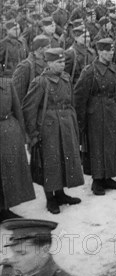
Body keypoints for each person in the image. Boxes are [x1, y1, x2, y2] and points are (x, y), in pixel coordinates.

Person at [22, 48, 84, 214]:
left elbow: (71, 101)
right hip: (48, 129)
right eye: (58, 62)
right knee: (50, 163)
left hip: (65, 125)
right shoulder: (40, 82)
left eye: (63, 62)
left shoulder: (66, 78)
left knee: (65, 158)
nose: (62, 65)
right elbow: (29, 109)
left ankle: (61, 193)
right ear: (48, 63)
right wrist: (33, 134)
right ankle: (50, 198)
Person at [74, 38, 116, 196]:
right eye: (106, 51)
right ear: (99, 52)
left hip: (112, 110)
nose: (110, 53)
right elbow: (79, 97)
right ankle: (97, 180)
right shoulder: (89, 71)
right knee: (98, 146)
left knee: (111, 144)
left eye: (112, 50)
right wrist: (81, 121)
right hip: (96, 113)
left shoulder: (115, 68)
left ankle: (108, 176)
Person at [0, 218, 93, 276]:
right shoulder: (9, 272)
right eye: (14, 253)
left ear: (45, 250)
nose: (14, 260)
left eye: (22, 253)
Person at [0, 77, 35, 222]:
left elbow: (17, 109)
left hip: (8, 131)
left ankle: (4, 209)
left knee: (8, 172)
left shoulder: (7, 84)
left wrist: (22, 132)